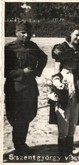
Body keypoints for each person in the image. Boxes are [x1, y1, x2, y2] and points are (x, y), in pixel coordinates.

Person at [4, 21, 47, 155]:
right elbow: (5, 70)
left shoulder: (33, 46)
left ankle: (22, 144)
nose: (26, 35)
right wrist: (23, 72)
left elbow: (44, 58)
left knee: (29, 115)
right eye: (23, 32)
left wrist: (37, 72)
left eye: (28, 33)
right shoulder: (9, 48)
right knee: (16, 118)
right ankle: (19, 147)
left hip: (30, 89)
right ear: (16, 33)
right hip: (15, 90)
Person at [51, 24, 79, 159]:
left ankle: (69, 152)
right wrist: (58, 85)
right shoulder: (60, 48)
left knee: (73, 120)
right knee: (63, 119)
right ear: (70, 34)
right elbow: (56, 70)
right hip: (64, 83)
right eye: (76, 34)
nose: (78, 37)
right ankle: (62, 155)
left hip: (75, 84)